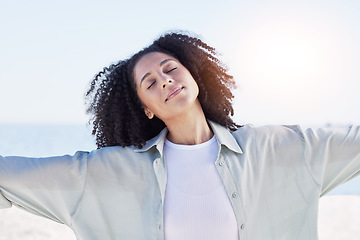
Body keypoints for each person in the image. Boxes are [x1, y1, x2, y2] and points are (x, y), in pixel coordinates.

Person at [0, 31, 360, 240]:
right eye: (150, 83)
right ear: (146, 108)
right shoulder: (107, 174)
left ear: (193, 75)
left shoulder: (279, 148)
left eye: (170, 69)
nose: (165, 80)